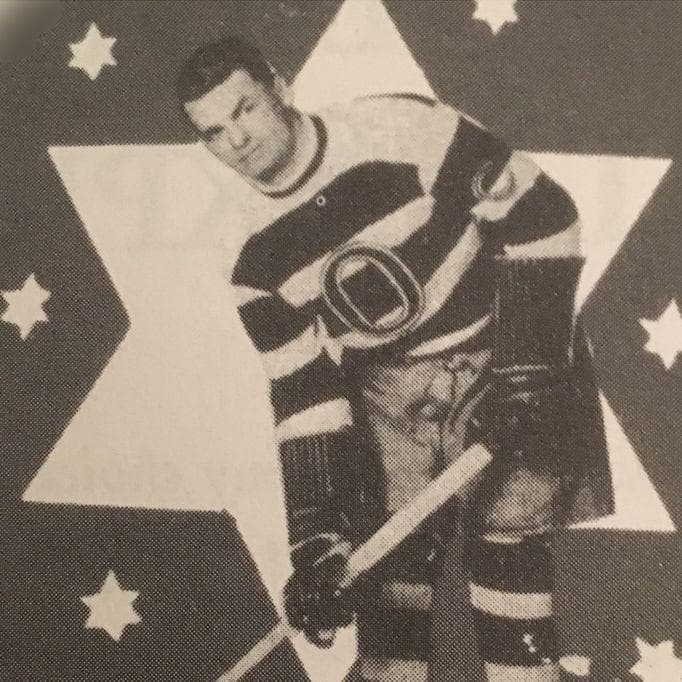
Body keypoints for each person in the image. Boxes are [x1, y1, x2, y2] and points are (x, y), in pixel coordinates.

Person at [176, 36, 614, 682]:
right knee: (383, 588)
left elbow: (544, 214)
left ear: (280, 88)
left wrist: (527, 374)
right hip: (387, 393)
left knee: (507, 555)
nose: (237, 141)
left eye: (246, 109)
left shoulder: (400, 128)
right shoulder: (245, 253)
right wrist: (317, 543)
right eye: (213, 132)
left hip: (502, 353)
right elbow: (304, 392)